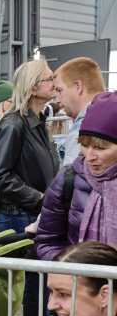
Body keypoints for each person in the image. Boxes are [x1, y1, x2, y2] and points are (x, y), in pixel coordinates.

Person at [0, 59, 59, 316]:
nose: (55, 84)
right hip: (23, 214)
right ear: (32, 87)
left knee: (40, 285)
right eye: (49, 79)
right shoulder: (15, 124)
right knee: (35, 285)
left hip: (36, 213)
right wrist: (41, 200)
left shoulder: (37, 123)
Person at [36, 92, 117, 260]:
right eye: (85, 145)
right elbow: (47, 241)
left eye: (101, 148)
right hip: (80, 284)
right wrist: (70, 269)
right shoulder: (69, 179)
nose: (90, 156)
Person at [53, 56, 106, 166]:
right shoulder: (109, 116)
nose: (57, 99)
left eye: (59, 90)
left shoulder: (83, 128)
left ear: (78, 86)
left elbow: (70, 180)